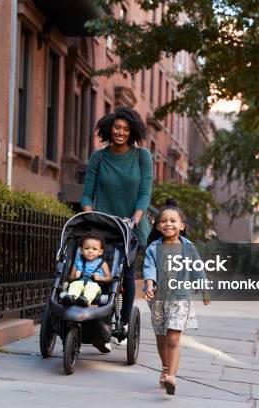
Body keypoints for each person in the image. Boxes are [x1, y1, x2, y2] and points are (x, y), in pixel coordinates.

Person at [81, 106, 153, 339]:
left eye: (125, 129)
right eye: (117, 127)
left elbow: (144, 193)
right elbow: (87, 193)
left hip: (131, 225)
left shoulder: (142, 156)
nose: (120, 132)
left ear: (132, 132)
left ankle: (122, 322)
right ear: (109, 129)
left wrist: (135, 218)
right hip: (103, 225)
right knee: (98, 270)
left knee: (126, 274)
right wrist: (88, 213)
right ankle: (97, 316)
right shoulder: (99, 156)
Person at [143, 199, 211, 395]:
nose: (168, 224)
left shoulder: (188, 248)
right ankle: (165, 367)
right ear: (157, 226)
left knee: (173, 338)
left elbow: (198, 268)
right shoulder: (153, 249)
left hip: (180, 298)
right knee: (161, 338)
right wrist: (149, 284)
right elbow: (149, 269)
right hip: (158, 300)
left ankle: (171, 376)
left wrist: (204, 289)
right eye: (163, 221)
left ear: (181, 226)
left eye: (173, 220)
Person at [59, 232, 112, 307]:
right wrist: (75, 276)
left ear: (100, 252)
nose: (90, 251)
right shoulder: (78, 262)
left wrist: (101, 278)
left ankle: (85, 300)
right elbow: (70, 278)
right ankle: (71, 298)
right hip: (80, 282)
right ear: (81, 250)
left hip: (95, 285)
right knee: (74, 285)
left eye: (94, 249)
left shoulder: (102, 263)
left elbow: (109, 278)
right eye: (87, 248)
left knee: (92, 288)